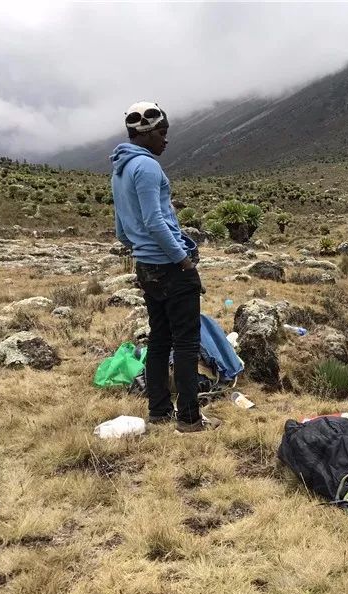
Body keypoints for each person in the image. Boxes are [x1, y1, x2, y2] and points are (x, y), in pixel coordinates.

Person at [111, 101, 220, 433]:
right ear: (146, 134)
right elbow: (154, 221)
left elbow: (121, 229)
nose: (166, 139)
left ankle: (159, 411)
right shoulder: (146, 166)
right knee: (186, 342)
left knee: (159, 339)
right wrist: (182, 259)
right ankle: (189, 418)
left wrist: (141, 250)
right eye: (162, 133)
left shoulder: (120, 169)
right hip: (170, 266)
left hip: (146, 266)